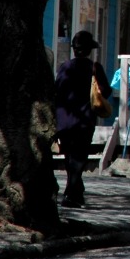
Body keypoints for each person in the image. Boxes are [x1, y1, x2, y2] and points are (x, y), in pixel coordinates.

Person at [54, 30, 111, 209]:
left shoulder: (64, 67)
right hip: (84, 120)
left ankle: (77, 193)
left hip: (63, 120)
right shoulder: (94, 68)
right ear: (89, 50)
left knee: (70, 157)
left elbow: (57, 91)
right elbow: (106, 91)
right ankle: (70, 193)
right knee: (79, 158)